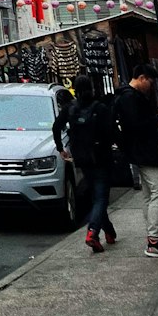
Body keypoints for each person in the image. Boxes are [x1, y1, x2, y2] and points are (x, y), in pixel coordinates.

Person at [115, 63, 158, 258]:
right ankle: (153, 241)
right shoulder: (129, 98)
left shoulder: (128, 96)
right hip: (145, 152)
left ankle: (155, 237)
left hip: (141, 152)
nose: (151, 86)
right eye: (150, 82)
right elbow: (138, 126)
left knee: (149, 195)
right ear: (142, 78)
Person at [59, 75, 117, 253]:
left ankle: (109, 233)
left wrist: (61, 148)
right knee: (101, 198)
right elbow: (112, 131)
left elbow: (56, 127)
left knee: (96, 197)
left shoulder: (70, 108)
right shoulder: (99, 107)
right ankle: (92, 232)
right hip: (100, 158)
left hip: (81, 158)